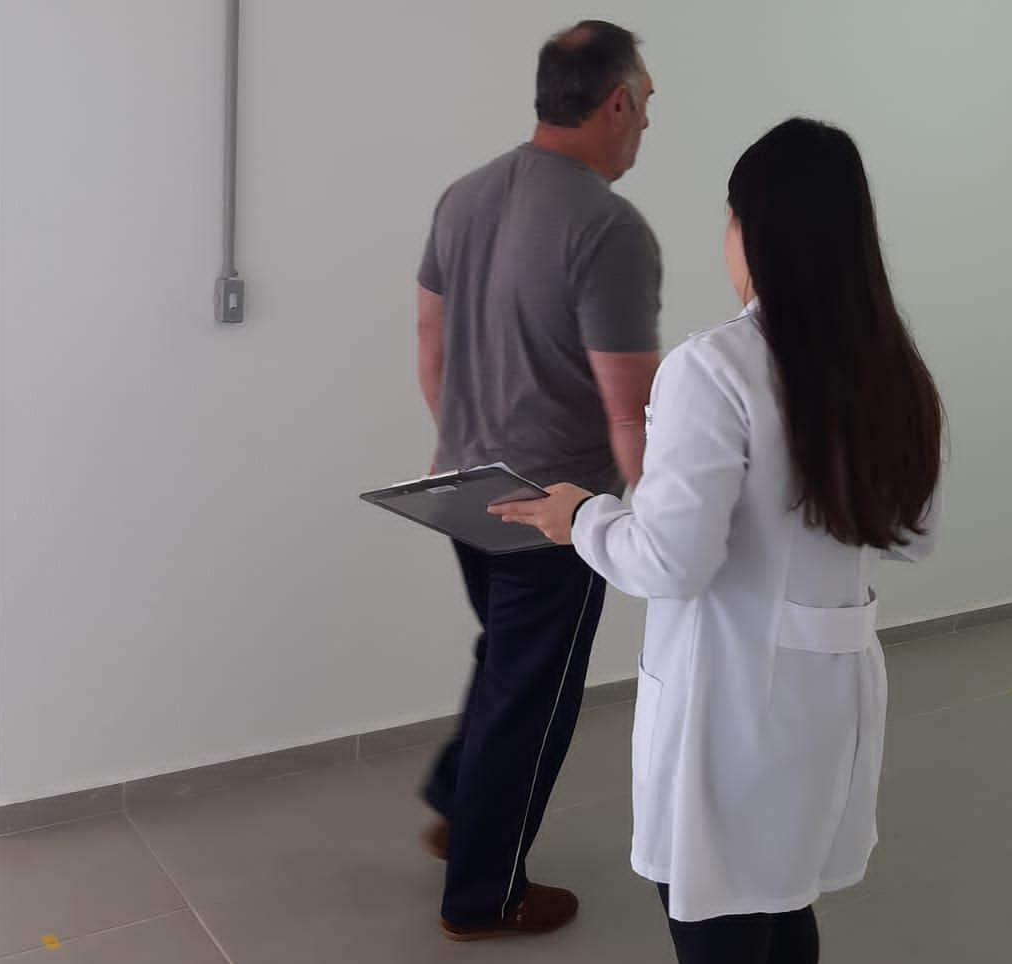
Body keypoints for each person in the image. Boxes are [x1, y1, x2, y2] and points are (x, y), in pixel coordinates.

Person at [494, 117, 944, 964]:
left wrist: (580, 517)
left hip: (730, 708)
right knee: (784, 899)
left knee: (720, 916)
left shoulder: (715, 368)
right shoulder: (888, 364)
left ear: (750, 228)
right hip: (830, 696)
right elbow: (913, 534)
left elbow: (670, 561)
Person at [415, 20, 662, 941]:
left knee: (505, 662)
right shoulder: (609, 228)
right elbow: (630, 410)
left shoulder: (466, 194)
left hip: (462, 486)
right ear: (616, 103)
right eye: (647, 102)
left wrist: (459, 440)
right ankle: (485, 896)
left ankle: (459, 804)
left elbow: (430, 338)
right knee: (534, 700)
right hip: (554, 512)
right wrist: (655, 526)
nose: (649, 124)